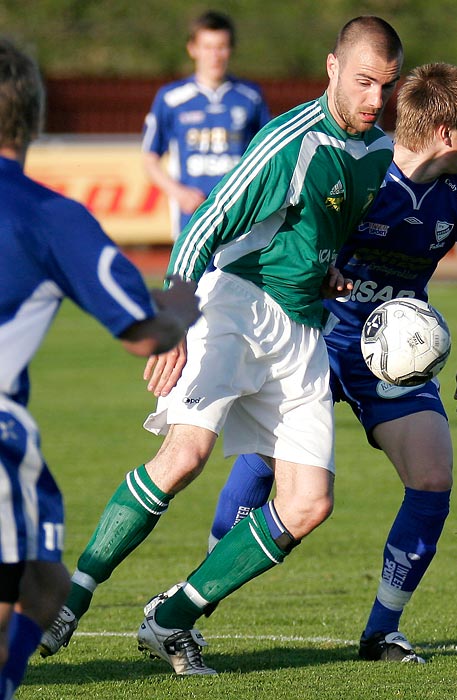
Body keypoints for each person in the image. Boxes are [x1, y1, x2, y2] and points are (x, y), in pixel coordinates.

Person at [40, 16, 404, 676]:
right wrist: (175, 316)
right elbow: (209, 220)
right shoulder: (286, 141)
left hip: (302, 331)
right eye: (364, 82)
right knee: (184, 456)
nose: (376, 98)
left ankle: (170, 618)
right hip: (233, 307)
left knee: (307, 504)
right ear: (332, 69)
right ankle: (72, 597)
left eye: (387, 84)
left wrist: (326, 270)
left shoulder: (378, 153)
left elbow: (311, 233)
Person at [202, 62, 457, 663]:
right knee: (265, 464)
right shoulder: (359, 170)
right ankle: (196, 596)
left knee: (432, 476)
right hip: (313, 343)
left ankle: (382, 632)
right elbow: (279, 238)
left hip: (392, 360)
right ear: (447, 130)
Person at [0, 39, 200, 700]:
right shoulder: (48, 215)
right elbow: (141, 334)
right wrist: (179, 308)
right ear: (32, 120)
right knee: (35, 589)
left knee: (40, 585)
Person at [141, 10, 271, 240]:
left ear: (230, 50)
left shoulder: (250, 97)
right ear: (192, 49)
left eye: (221, 47)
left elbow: (268, 156)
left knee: (235, 276)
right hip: (191, 220)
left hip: (239, 219)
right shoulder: (171, 98)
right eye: (208, 47)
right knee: (183, 278)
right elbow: (149, 159)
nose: (215, 55)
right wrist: (179, 194)